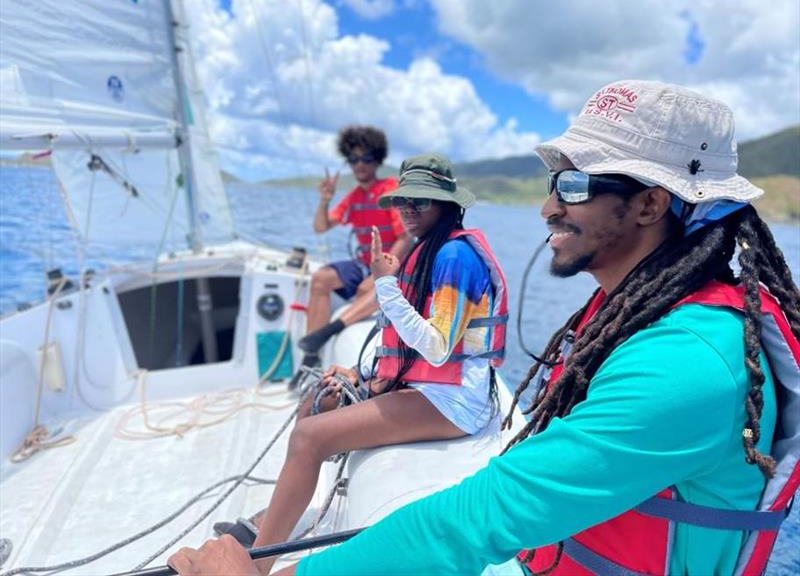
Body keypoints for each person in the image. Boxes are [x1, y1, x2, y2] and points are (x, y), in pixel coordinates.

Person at [167, 81, 799, 576]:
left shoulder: (689, 363)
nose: (548, 206)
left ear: (651, 203)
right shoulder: (644, 317)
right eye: (554, 183)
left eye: (573, 185)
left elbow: (477, 521)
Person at [170, 153, 510, 575]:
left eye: (420, 203)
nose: (408, 211)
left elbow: (438, 347)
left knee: (311, 436)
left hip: (454, 400)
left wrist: (384, 282)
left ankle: (257, 561)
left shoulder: (455, 258)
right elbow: (406, 344)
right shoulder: (432, 250)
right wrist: (361, 374)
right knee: (320, 399)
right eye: (404, 202)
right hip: (428, 386)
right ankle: (284, 515)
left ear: (446, 205)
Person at [298, 126, 410, 368]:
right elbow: (320, 227)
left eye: (366, 158)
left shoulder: (390, 190)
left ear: (377, 160)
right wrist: (325, 200)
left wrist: (380, 275)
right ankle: (310, 358)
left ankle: (327, 332)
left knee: (366, 289)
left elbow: (405, 239)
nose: (360, 164)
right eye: (353, 159)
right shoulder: (354, 197)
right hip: (364, 263)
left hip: (393, 264)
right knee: (320, 279)